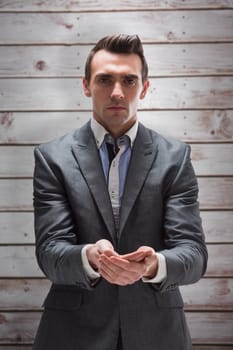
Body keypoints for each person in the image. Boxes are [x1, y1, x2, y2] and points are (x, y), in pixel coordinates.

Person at [33, 34, 208, 350]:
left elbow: (193, 254)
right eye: (104, 80)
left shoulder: (176, 157)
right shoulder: (52, 158)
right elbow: (50, 252)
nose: (117, 92)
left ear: (144, 87)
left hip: (158, 334)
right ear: (86, 85)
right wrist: (91, 257)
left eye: (129, 80)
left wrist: (152, 264)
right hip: (72, 334)